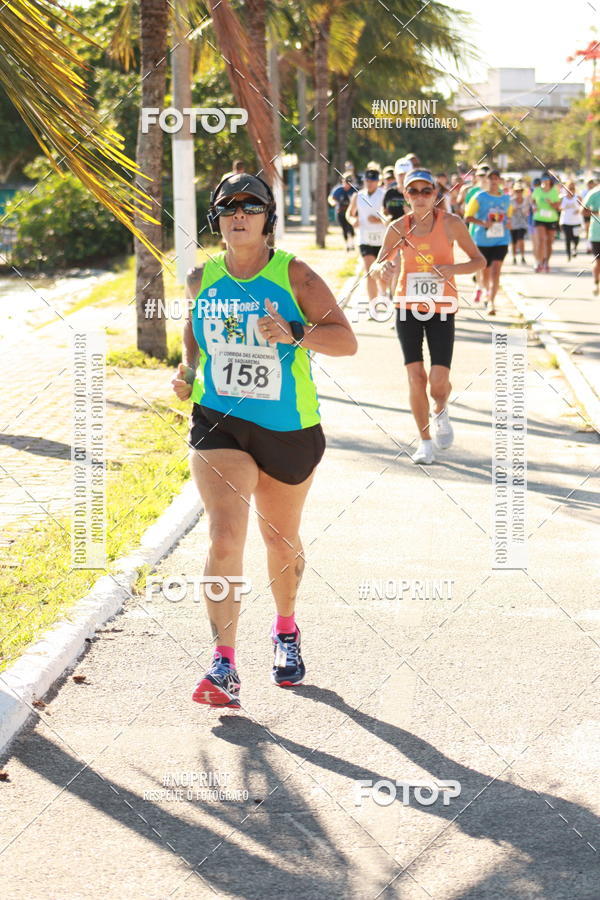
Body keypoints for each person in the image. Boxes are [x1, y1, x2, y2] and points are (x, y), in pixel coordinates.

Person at [172, 171, 357, 707]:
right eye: (228, 206)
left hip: (287, 427)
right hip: (219, 420)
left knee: (279, 540)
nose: (239, 214)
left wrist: (296, 333)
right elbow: (193, 329)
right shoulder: (199, 277)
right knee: (226, 537)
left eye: (251, 205)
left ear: (267, 217)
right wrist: (187, 369)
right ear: (217, 218)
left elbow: (346, 342)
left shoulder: (295, 276)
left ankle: (285, 629)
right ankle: (223, 664)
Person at [370, 169, 485, 464]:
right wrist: (384, 271)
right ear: (405, 195)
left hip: (442, 308)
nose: (420, 197)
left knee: (438, 380)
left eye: (426, 191)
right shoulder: (398, 227)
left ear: (435, 194)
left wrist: (452, 270)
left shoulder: (451, 224)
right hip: (407, 307)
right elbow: (378, 266)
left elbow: (479, 261)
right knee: (415, 377)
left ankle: (441, 409)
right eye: (413, 192)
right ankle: (424, 442)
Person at [464, 169, 513, 315]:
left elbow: (508, 217)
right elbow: (468, 217)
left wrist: (509, 223)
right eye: (491, 178)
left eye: (496, 178)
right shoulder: (480, 197)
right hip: (483, 240)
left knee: (496, 272)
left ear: (500, 181)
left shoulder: (506, 199)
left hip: (501, 240)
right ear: (487, 180)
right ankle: (484, 291)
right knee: (485, 273)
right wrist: (483, 223)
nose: (494, 181)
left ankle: (491, 302)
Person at [346, 165, 387, 300]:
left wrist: (379, 219)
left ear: (378, 181)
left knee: (380, 273)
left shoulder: (384, 195)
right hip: (364, 239)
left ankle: (383, 294)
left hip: (382, 239)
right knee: (369, 272)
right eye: (367, 181)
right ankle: (373, 305)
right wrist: (353, 221)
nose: (369, 183)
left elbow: (390, 216)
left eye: (372, 181)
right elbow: (349, 213)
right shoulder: (358, 196)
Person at [532, 173, 561, 272]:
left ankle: (546, 262)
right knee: (541, 240)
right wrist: (534, 206)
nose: (545, 181)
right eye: (543, 179)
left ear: (550, 181)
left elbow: (557, 206)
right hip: (539, 218)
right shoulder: (537, 190)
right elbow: (532, 200)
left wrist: (551, 203)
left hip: (551, 219)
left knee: (549, 242)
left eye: (547, 179)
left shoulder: (554, 191)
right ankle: (538, 262)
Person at [328, 172, 357, 251]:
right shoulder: (338, 190)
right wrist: (333, 202)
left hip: (351, 213)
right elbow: (331, 198)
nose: (347, 184)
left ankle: (352, 243)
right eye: (346, 182)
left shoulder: (354, 190)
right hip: (341, 212)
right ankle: (347, 244)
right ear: (343, 181)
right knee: (344, 228)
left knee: (351, 228)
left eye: (349, 182)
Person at [582, 181, 600, 295]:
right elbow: (583, 211)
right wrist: (596, 212)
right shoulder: (594, 194)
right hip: (596, 234)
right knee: (598, 262)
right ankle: (596, 283)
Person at [560, 181, 583, 261]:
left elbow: (583, 207)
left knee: (576, 238)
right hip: (566, 222)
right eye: (569, 188)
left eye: (572, 188)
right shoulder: (563, 198)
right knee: (567, 239)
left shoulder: (578, 197)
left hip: (576, 222)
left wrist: (579, 210)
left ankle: (575, 248)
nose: (571, 190)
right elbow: (560, 208)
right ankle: (568, 254)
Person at [508, 181, 530, 265]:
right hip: (513, 224)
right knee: (514, 242)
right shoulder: (511, 201)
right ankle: (514, 257)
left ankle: (522, 256)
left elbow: (527, 211)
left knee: (521, 239)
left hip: (522, 224)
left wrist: (523, 210)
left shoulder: (525, 200)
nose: (519, 193)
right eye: (517, 191)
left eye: (520, 191)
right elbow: (509, 212)